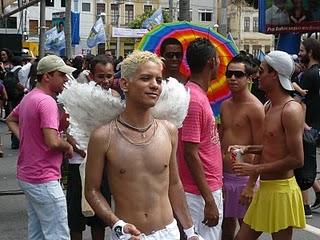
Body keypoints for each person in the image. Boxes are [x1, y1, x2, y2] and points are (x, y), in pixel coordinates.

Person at [85, 50, 201, 240]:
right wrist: (117, 225)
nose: (154, 85)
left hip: (169, 232)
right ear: (125, 84)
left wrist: (190, 232)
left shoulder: (169, 130)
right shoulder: (103, 136)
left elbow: (174, 183)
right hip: (129, 235)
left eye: (159, 80)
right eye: (146, 78)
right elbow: (91, 190)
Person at [232, 50, 305, 240]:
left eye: (262, 71)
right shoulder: (268, 106)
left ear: (274, 74)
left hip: (282, 191)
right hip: (265, 188)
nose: (257, 75)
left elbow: (297, 159)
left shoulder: (291, 110)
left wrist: (255, 168)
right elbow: (272, 146)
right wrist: (248, 149)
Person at [6, 54, 75, 240]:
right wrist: (67, 146)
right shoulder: (46, 102)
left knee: (37, 232)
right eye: (62, 75)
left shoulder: (30, 97)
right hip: (43, 177)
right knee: (58, 234)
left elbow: (11, 119)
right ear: (47, 77)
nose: (66, 79)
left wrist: (26, 139)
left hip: (29, 175)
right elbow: (53, 141)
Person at [177, 38, 223, 239]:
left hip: (205, 189)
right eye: (219, 60)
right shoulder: (194, 99)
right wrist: (209, 200)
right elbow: (190, 153)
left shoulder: (196, 94)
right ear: (211, 62)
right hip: (198, 195)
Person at [67, 55, 116, 240]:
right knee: (76, 217)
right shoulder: (79, 96)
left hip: (104, 165)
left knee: (100, 217)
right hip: (79, 163)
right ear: (91, 76)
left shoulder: (115, 97)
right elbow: (68, 131)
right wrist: (83, 151)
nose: (105, 81)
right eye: (100, 76)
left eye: (109, 76)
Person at [220, 54, 264, 240]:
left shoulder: (255, 107)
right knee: (225, 230)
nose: (232, 78)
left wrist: (250, 184)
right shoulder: (225, 105)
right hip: (223, 176)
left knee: (246, 231)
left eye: (238, 74)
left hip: (244, 178)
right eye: (229, 74)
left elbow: (262, 147)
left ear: (249, 78)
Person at [296, 38, 320, 218]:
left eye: (302, 50)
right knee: (307, 165)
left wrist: (302, 124)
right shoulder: (315, 73)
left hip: (306, 126)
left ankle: (305, 206)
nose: (299, 53)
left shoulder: (308, 76)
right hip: (315, 126)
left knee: (299, 164)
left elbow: (299, 102)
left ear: (310, 53)